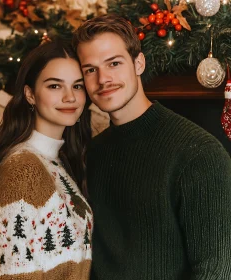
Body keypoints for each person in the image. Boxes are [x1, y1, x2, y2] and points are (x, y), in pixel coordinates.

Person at [72, 14, 231, 279]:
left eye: (114, 63)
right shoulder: (95, 153)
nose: (103, 79)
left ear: (139, 63)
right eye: (90, 69)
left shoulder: (199, 154)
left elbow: (217, 271)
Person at [0, 40, 93, 280]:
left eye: (77, 86)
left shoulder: (54, 162)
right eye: (55, 86)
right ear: (30, 94)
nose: (70, 97)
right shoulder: (24, 170)